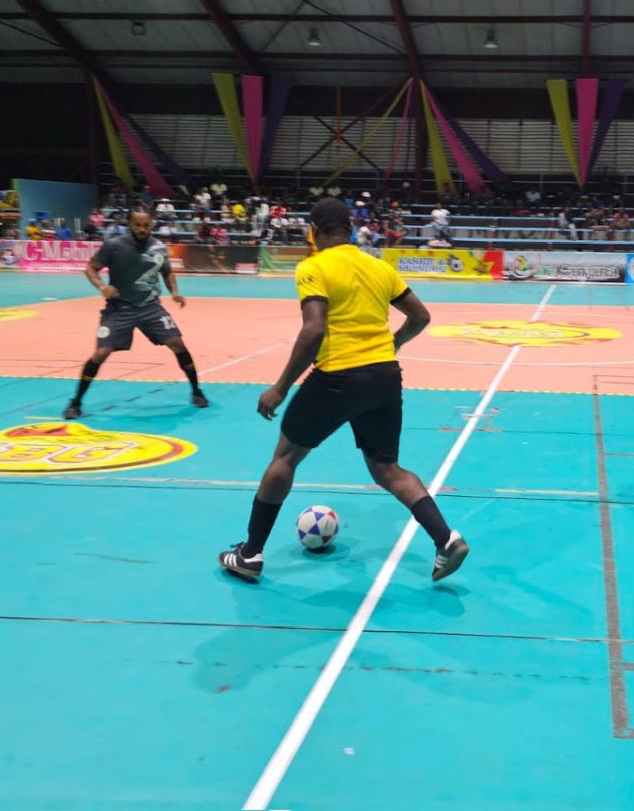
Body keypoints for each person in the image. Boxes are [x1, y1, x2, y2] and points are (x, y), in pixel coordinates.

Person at [218, 198, 469, 584]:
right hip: (385, 375)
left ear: (314, 231)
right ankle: (446, 539)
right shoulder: (378, 266)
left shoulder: (314, 266)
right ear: (351, 229)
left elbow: (314, 329)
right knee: (388, 469)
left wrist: (281, 387)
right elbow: (421, 317)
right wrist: (395, 343)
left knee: (285, 458)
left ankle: (250, 554)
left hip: (337, 377)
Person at [63, 208, 208, 419]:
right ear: (129, 224)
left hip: (150, 307)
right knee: (100, 354)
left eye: (146, 225)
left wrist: (175, 293)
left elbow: (166, 272)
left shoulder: (159, 247)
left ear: (152, 224)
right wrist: (102, 287)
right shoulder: (114, 246)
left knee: (177, 343)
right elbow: (91, 268)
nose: (142, 229)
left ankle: (197, 391)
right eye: (137, 224)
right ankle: (75, 402)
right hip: (119, 308)